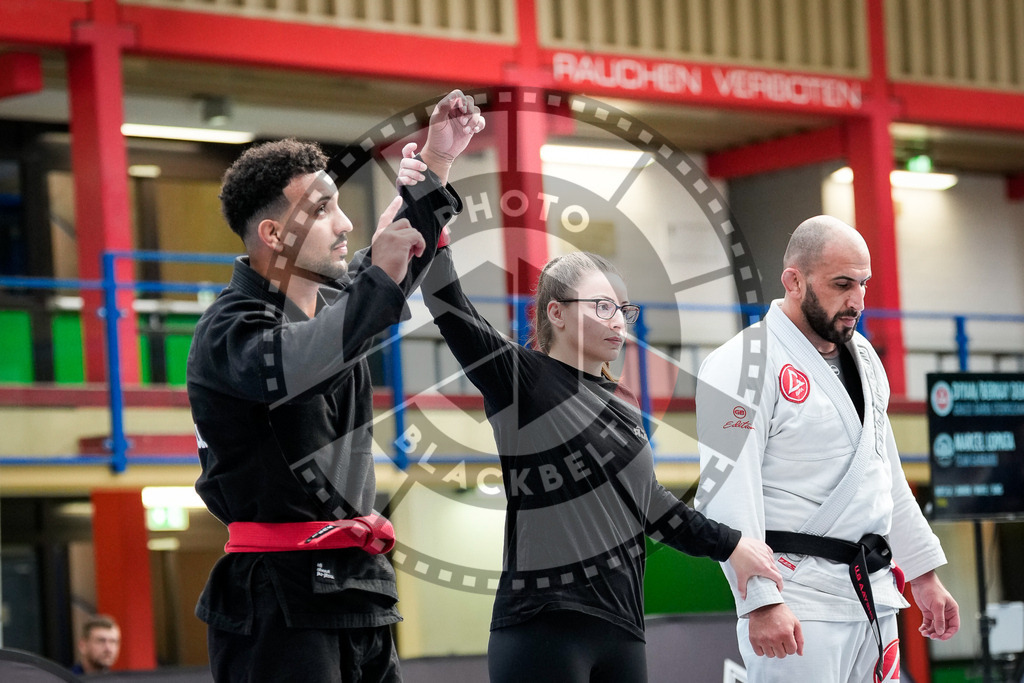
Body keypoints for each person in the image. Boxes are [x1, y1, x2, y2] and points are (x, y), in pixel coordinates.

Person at [399, 147, 783, 683]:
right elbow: (450, 305)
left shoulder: (623, 406)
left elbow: (654, 507)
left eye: (623, 311)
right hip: (542, 627)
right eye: (602, 308)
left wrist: (733, 545)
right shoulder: (523, 381)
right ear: (556, 312)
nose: (618, 323)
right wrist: (430, 199)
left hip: (623, 630)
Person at [186, 90, 484, 683]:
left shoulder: (332, 313)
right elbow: (305, 357)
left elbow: (387, 275)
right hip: (275, 596)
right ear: (273, 234)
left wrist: (438, 162)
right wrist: (383, 272)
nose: (345, 223)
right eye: (322, 211)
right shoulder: (229, 330)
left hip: (356, 589)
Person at [696, 215, 960, 682]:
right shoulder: (741, 363)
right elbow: (726, 494)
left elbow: (886, 476)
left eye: (863, 284)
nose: (857, 300)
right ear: (794, 281)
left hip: (873, 595)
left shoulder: (865, 358)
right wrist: (760, 601)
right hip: (796, 598)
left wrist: (922, 573)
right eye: (842, 284)